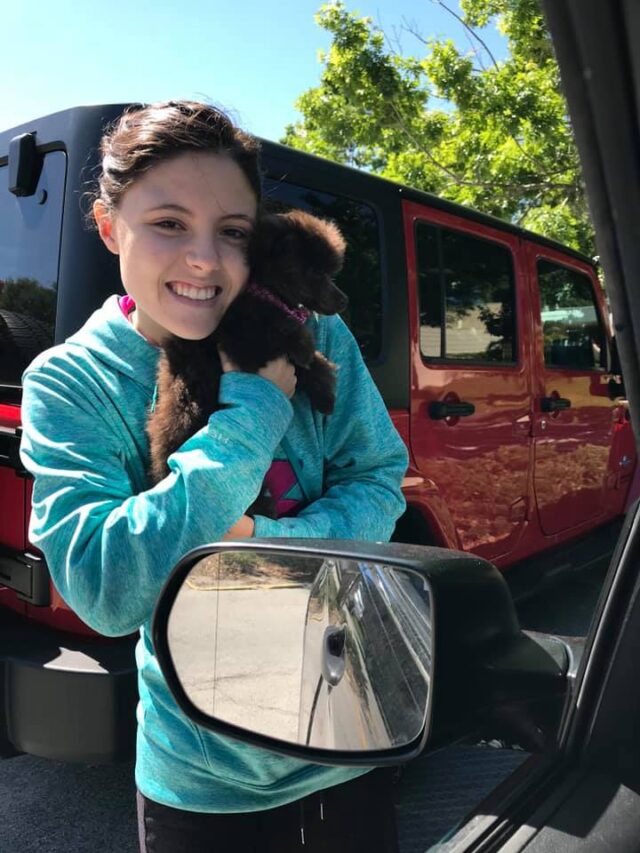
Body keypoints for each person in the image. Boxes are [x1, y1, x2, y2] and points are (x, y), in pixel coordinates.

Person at [19, 100, 409, 853]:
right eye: (168, 222)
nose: (206, 259)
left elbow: (381, 480)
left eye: (232, 232)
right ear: (109, 227)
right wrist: (254, 405)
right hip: (201, 779)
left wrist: (261, 537)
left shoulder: (317, 334)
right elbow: (106, 590)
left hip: (346, 736)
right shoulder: (74, 380)